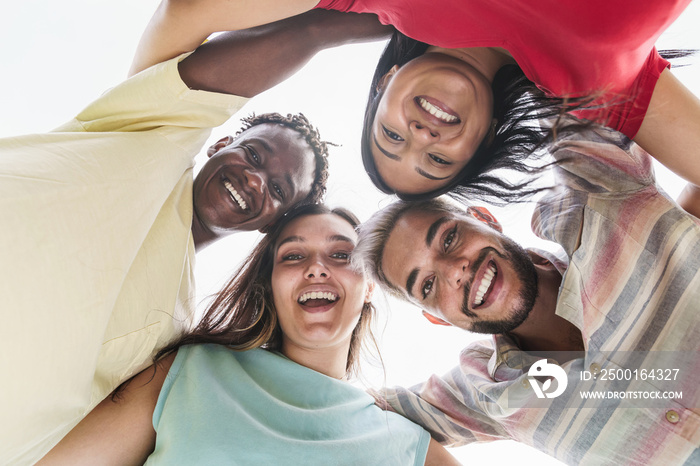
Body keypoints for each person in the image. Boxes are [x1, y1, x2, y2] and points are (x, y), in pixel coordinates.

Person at [0, 10, 391, 465]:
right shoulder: (150, 140)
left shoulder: (172, 339)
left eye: (279, 189)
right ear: (218, 144)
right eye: (253, 153)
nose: (255, 180)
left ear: (271, 226)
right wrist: (372, 21)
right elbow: (262, 44)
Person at [354, 125, 700, 464]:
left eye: (448, 238)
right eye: (427, 286)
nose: (453, 271)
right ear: (435, 317)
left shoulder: (600, 200)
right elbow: (351, 416)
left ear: (484, 218)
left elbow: (579, 88)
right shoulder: (484, 391)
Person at [37, 204, 458, 465]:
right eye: (293, 255)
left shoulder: (407, 447)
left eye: (341, 254)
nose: (316, 267)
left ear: (369, 288)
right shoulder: (192, 372)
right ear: (270, 285)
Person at [309, 0, 700, 217]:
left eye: (392, 135)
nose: (423, 136)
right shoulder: (589, 86)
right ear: (487, 137)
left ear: (384, 81)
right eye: (439, 160)